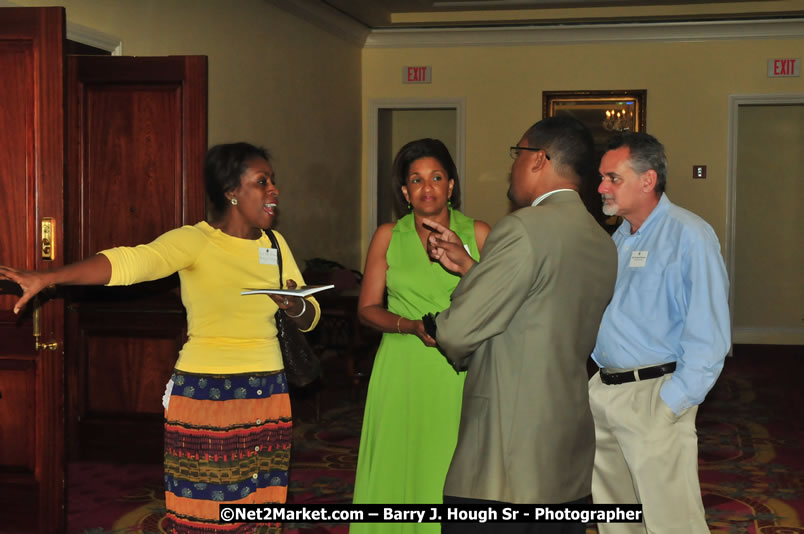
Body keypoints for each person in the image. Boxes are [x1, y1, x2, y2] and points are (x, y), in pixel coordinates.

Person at [0, 142, 320, 534]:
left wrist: (295, 306)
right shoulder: (196, 240)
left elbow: (310, 316)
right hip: (208, 392)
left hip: (268, 390)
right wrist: (49, 277)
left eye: (272, 181)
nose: (274, 190)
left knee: (262, 504)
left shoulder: (275, 245)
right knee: (207, 509)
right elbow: (130, 262)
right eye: (262, 181)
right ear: (231, 192)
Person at [423, 116, 618, 534]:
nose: (511, 166)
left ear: (538, 160)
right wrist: (473, 269)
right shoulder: (602, 241)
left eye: (517, 153)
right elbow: (539, 309)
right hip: (566, 443)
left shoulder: (522, 228)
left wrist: (442, 323)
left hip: (506, 456)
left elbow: (457, 333)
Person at [589, 132, 730, 534]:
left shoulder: (689, 235)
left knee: (671, 524)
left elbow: (709, 333)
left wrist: (672, 405)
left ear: (647, 180)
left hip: (654, 396)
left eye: (613, 178)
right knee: (617, 521)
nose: (601, 187)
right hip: (605, 394)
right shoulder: (620, 237)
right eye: (601, 177)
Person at [351, 138, 490, 533]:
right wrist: (409, 326)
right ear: (405, 191)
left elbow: (502, 298)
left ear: (451, 185)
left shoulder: (477, 233)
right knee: (398, 459)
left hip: (457, 369)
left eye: (436, 178)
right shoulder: (387, 236)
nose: (427, 187)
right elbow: (367, 308)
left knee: (447, 461)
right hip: (401, 365)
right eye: (416, 180)